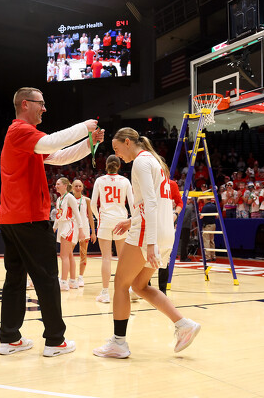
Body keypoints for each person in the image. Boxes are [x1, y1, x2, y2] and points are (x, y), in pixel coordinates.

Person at [0, 87, 103, 357]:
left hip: (12, 218)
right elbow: (52, 143)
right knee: (46, 279)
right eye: (41, 103)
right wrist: (85, 127)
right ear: (25, 104)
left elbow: (59, 156)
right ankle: (55, 341)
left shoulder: (23, 138)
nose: (44, 108)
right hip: (29, 218)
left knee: (15, 279)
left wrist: (88, 143)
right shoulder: (21, 130)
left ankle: (9, 338)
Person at [93, 127, 200, 359]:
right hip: (163, 231)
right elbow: (156, 204)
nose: (116, 154)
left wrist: (150, 242)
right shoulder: (154, 161)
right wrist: (131, 220)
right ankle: (184, 324)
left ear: (128, 142)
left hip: (148, 233)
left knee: (120, 284)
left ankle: (118, 343)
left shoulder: (141, 162)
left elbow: (150, 203)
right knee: (139, 286)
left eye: (116, 148)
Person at [90, 155, 133, 303]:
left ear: (106, 165)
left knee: (106, 258)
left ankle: (105, 293)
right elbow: (132, 204)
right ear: (119, 166)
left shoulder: (99, 180)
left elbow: (93, 204)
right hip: (121, 221)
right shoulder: (125, 181)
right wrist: (131, 221)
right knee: (123, 258)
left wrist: (99, 217)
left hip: (105, 221)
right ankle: (126, 290)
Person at [53, 178, 85, 291]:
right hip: (62, 226)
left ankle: (63, 281)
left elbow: (77, 214)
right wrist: (54, 228)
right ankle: (72, 281)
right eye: (56, 184)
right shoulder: (59, 199)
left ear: (65, 185)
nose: (56, 186)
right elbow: (58, 216)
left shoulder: (70, 197)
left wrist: (81, 229)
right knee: (69, 254)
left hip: (68, 226)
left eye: (58, 184)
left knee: (64, 255)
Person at [71, 179, 96, 288]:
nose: (78, 188)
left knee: (83, 254)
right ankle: (70, 278)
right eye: (76, 186)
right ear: (72, 187)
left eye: (79, 186)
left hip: (84, 228)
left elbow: (90, 217)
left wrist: (93, 232)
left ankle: (80, 277)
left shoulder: (86, 200)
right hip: (72, 228)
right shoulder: (69, 199)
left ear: (82, 187)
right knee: (68, 254)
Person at [200, 197, 217, 262]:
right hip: (213, 224)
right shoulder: (214, 206)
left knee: (206, 241)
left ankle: (207, 257)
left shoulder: (205, 207)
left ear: (205, 199)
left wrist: (199, 214)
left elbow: (201, 216)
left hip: (207, 225)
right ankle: (213, 256)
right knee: (212, 241)